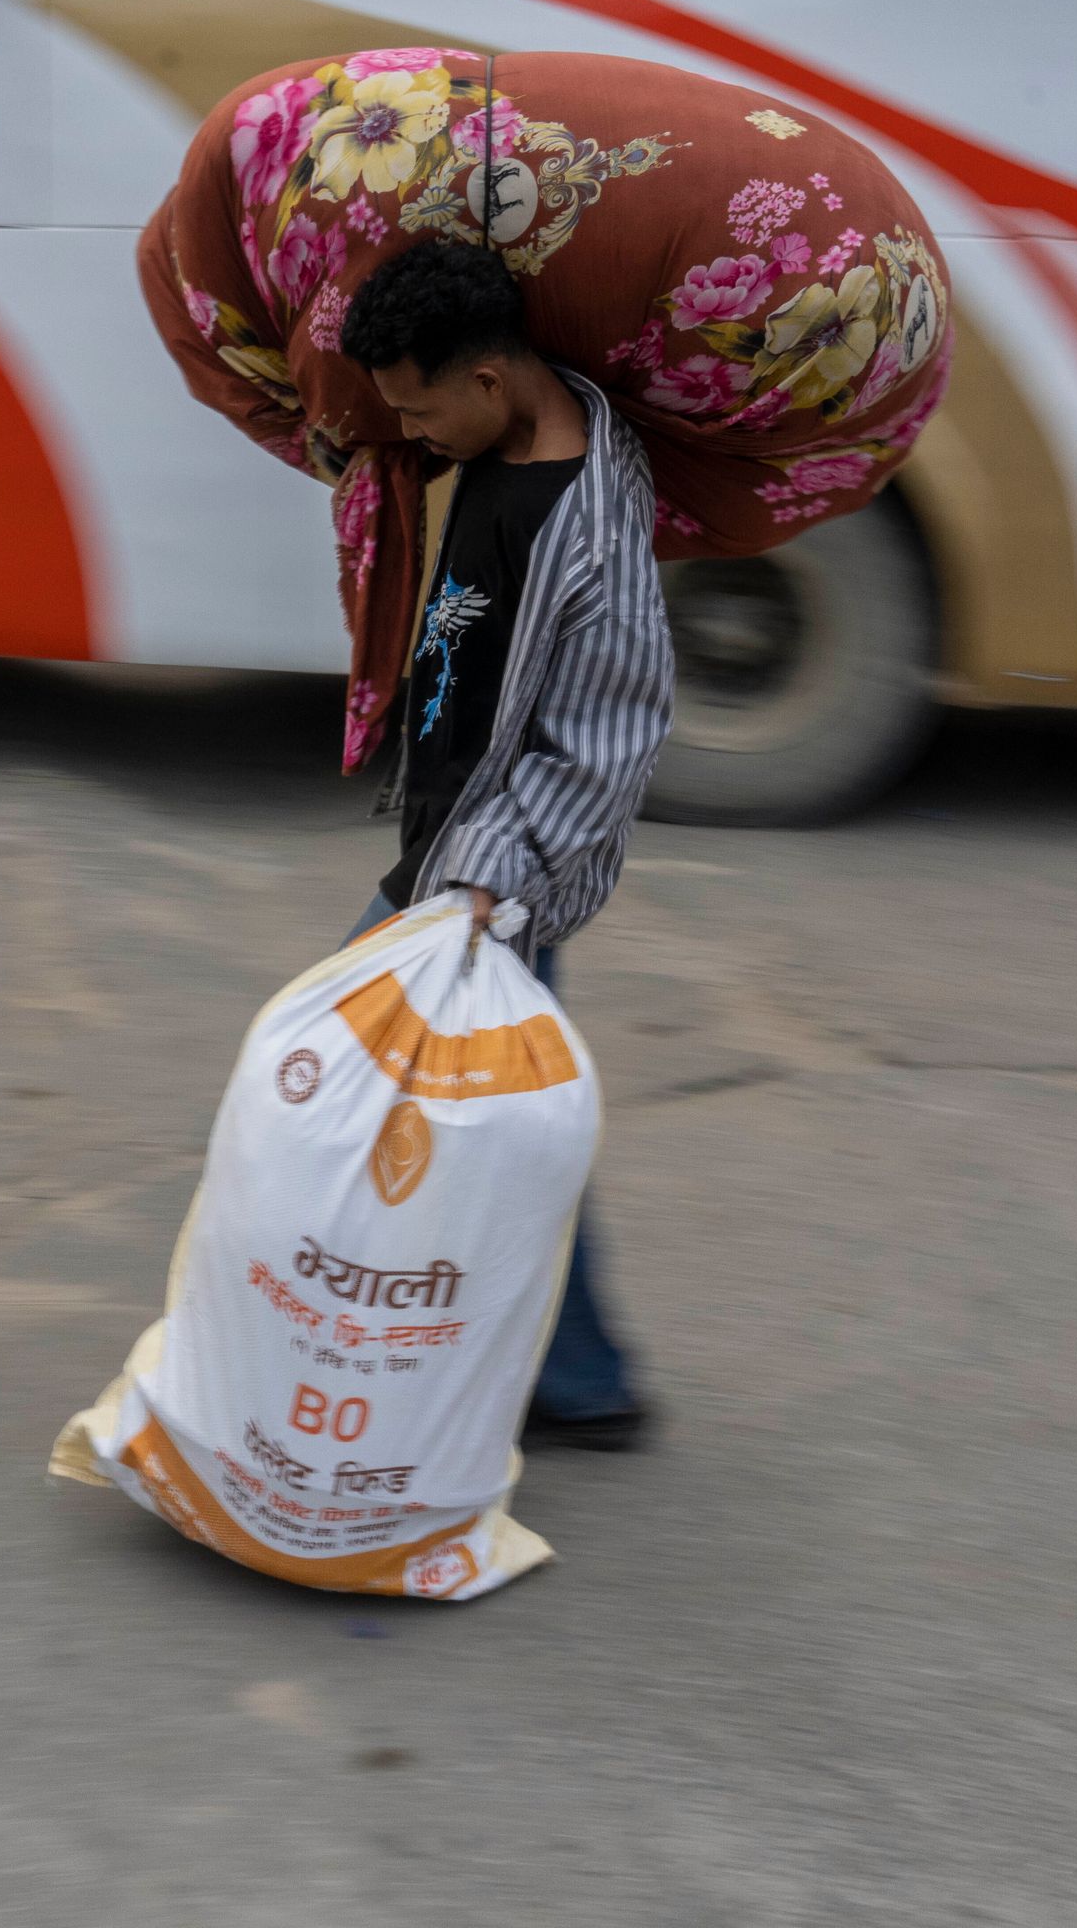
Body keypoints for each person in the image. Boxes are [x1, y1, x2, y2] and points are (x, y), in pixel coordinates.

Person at [335, 237, 676, 1451]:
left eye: (421, 409)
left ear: (487, 383)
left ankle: (372, 1340)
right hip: (443, 841)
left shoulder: (589, 529)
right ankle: (571, 1375)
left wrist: (493, 888)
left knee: (334, 1078)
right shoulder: (494, 433)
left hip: (486, 878)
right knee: (496, 1126)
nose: (414, 436)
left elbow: (611, 742)